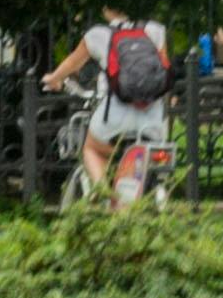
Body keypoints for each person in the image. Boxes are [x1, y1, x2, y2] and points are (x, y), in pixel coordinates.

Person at [72, 12, 176, 205]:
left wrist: (53, 79)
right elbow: (164, 70)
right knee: (153, 158)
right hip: (153, 120)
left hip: (114, 116)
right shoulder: (155, 29)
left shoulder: (98, 33)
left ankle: (101, 190)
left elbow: (71, 65)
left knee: (91, 149)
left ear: (106, 10)